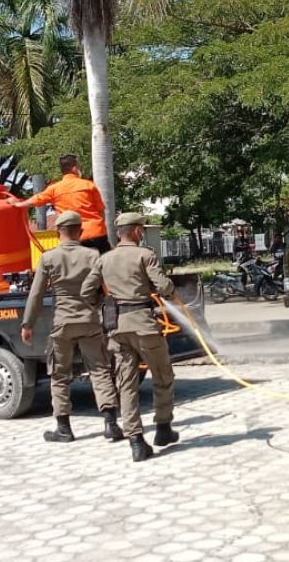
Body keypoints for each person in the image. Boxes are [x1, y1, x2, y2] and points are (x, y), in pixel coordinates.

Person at [21, 210, 123, 443]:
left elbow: (36, 294)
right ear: (81, 231)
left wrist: (28, 324)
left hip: (63, 323)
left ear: (58, 233)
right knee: (100, 370)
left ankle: (64, 429)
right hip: (90, 321)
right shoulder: (93, 254)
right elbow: (107, 286)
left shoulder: (48, 258)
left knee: (59, 375)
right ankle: (111, 424)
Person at [90, 212, 178, 462]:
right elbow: (162, 287)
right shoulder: (145, 255)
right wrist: (170, 290)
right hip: (144, 325)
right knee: (162, 375)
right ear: (138, 231)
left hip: (117, 327)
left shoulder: (104, 260)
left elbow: (88, 290)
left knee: (126, 385)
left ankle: (136, 441)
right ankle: (163, 428)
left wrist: (104, 303)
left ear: (119, 233)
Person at [15, 155, 110, 253]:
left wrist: (18, 204)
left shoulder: (54, 188)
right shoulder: (89, 185)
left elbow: (37, 199)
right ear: (75, 168)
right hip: (97, 232)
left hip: (73, 236)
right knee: (106, 265)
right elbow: (101, 210)